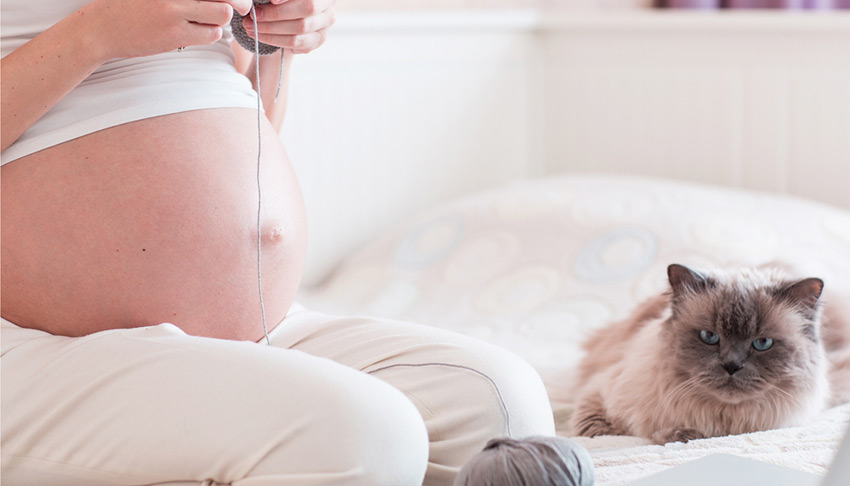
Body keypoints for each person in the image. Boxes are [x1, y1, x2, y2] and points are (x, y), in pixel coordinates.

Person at [0, 1, 556, 485]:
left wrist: (270, 40)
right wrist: (93, 32)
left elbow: (244, 125)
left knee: (501, 404)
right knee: (365, 437)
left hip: (254, 325)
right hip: (39, 341)